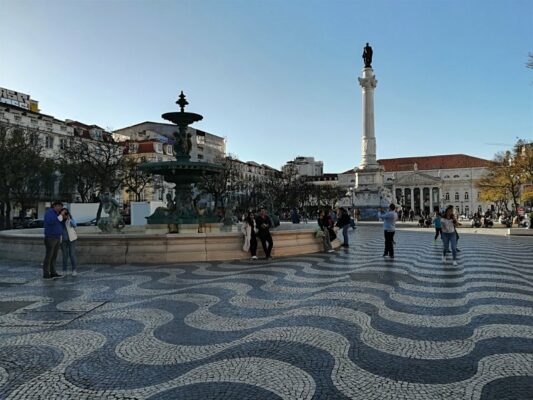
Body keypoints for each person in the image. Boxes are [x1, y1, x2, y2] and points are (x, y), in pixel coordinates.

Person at [43, 201, 65, 280]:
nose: (60, 208)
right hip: (50, 237)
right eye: (58, 206)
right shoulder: (49, 213)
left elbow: (60, 224)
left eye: (61, 207)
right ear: (54, 206)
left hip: (57, 237)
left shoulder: (58, 214)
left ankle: (53, 272)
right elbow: (50, 222)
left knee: (54, 256)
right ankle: (46, 273)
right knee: (49, 256)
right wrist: (59, 217)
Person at [60, 208, 78, 276]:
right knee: (64, 255)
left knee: (72, 254)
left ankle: (74, 270)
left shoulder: (70, 220)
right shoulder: (59, 220)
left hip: (72, 239)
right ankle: (64, 270)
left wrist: (69, 219)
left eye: (66, 213)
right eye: (63, 213)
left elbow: (75, 225)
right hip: (63, 240)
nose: (65, 215)